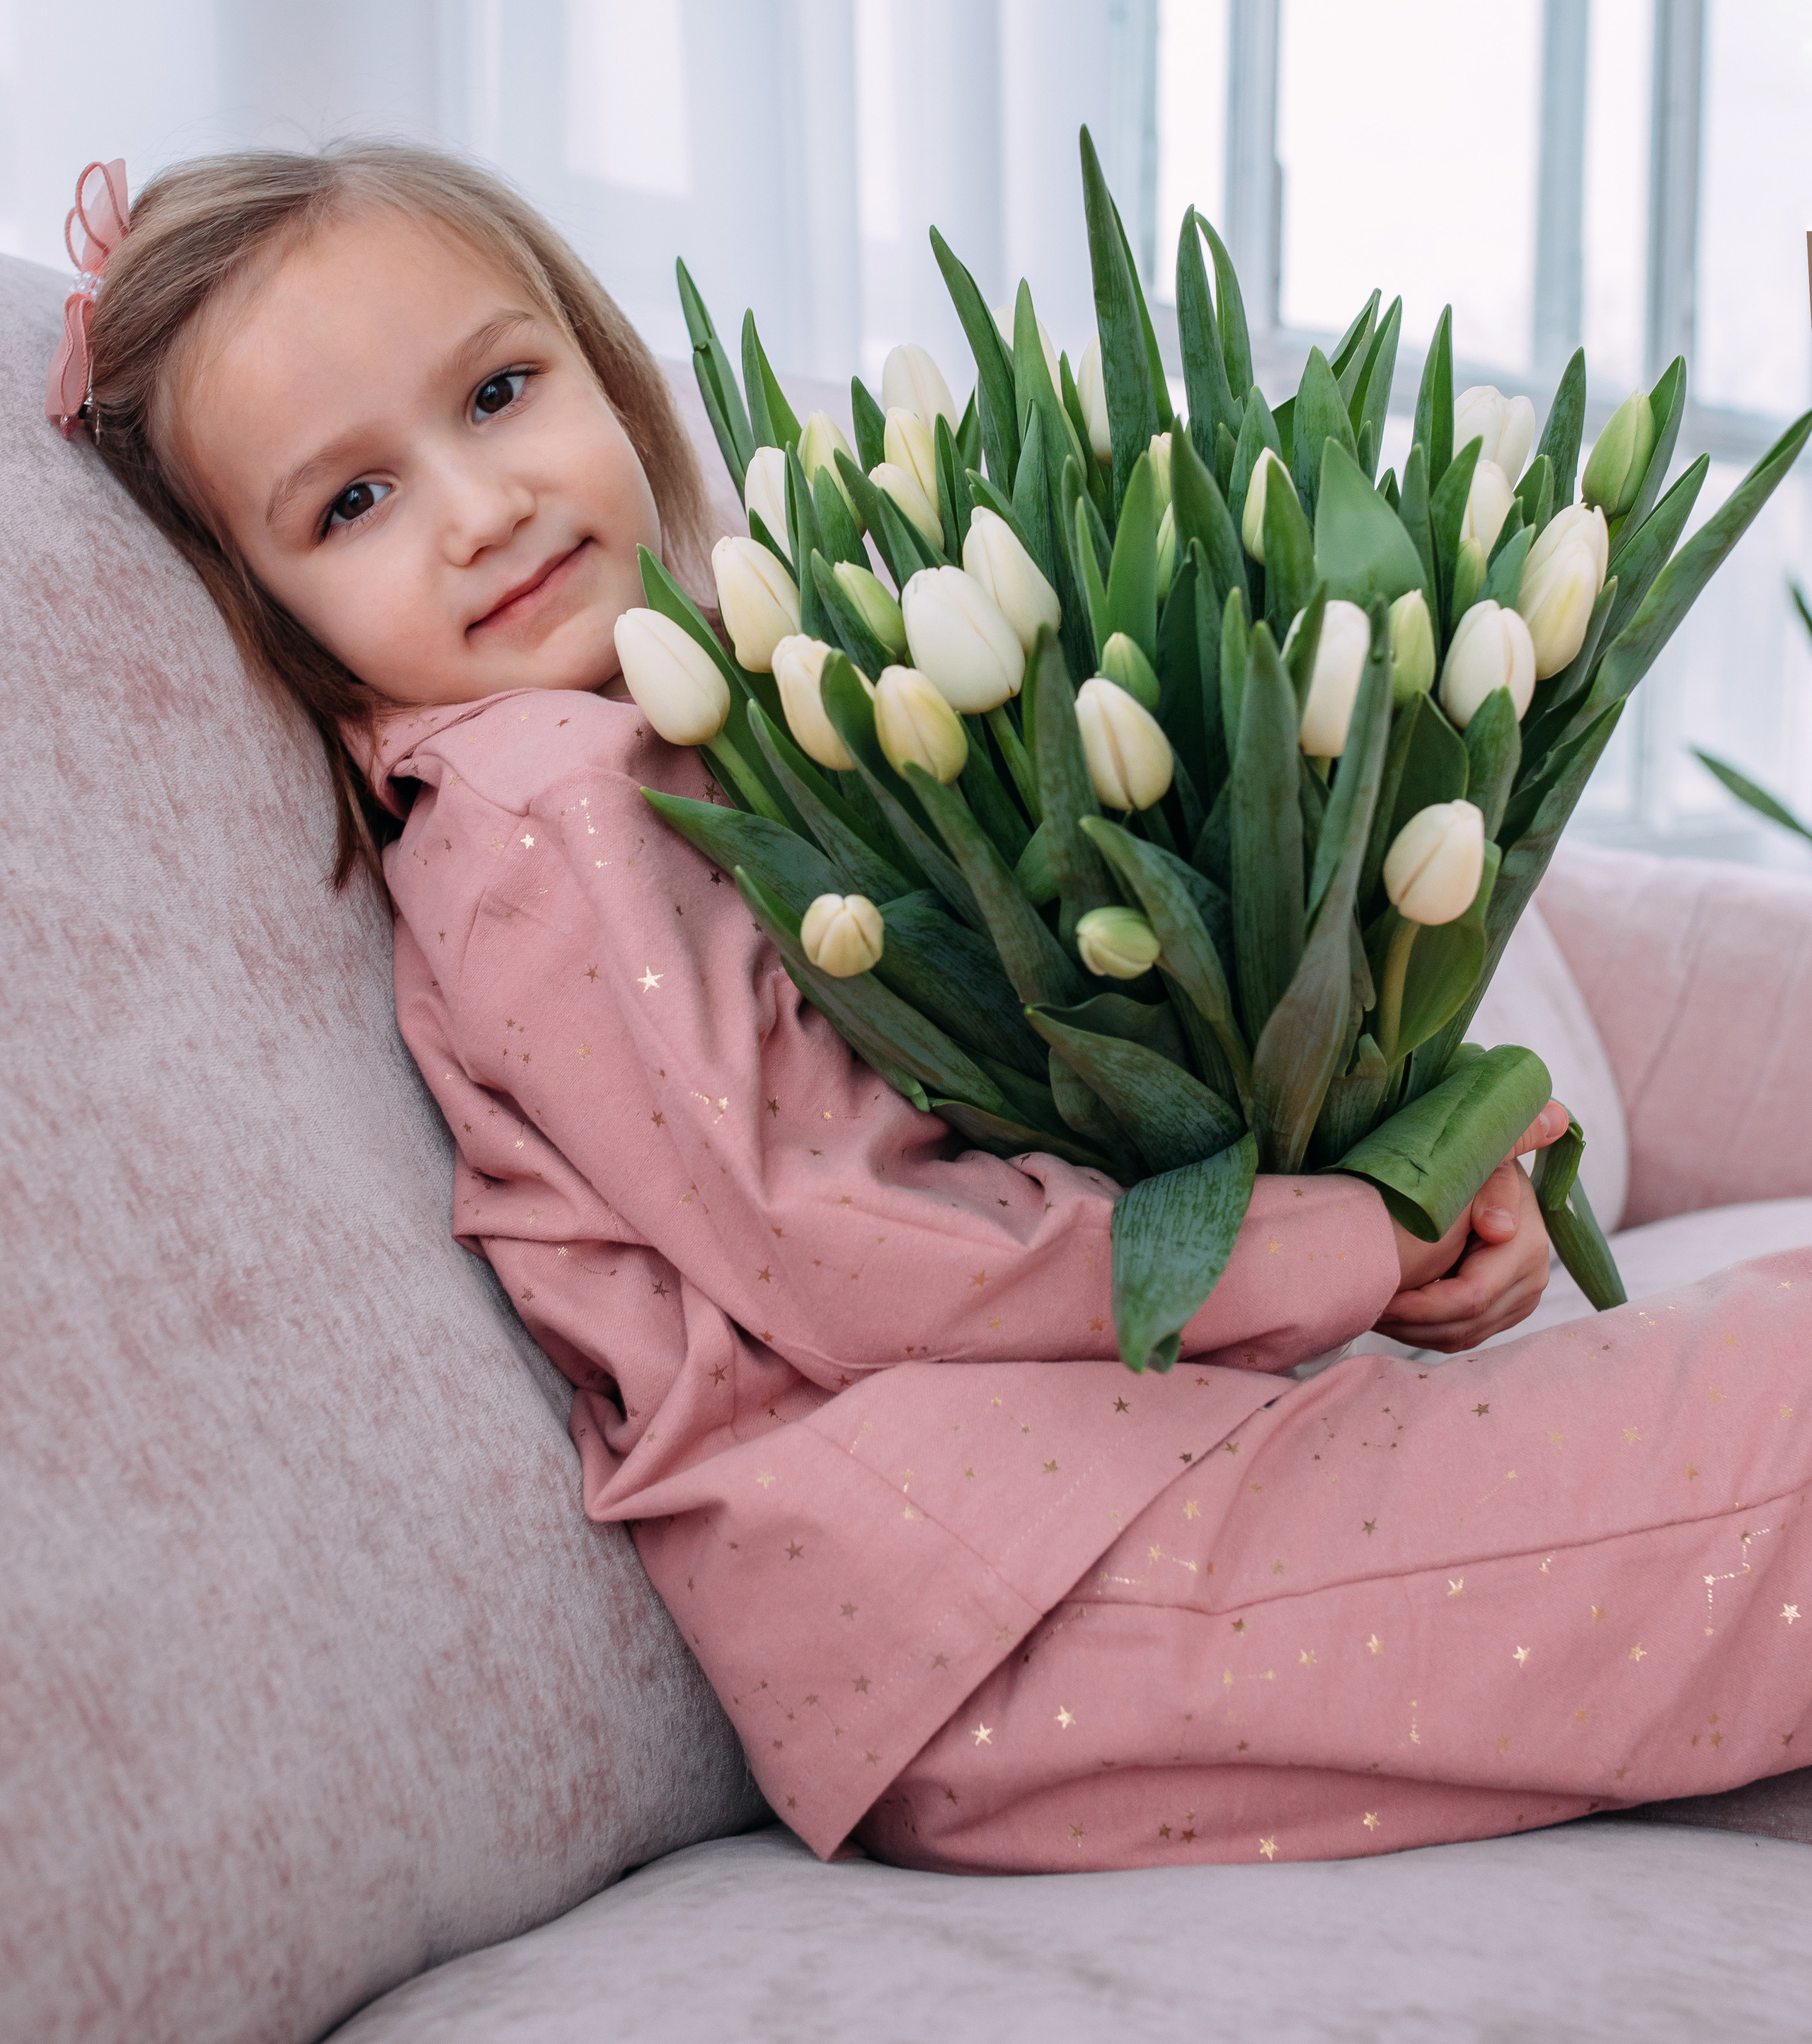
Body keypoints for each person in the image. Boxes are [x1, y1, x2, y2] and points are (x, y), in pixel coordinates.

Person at [60, 142, 1808, 1872]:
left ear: (601, 363)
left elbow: (1093, 1058)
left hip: (1076, 1524)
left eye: (499, 393)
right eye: (351, 505)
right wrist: (1347, 1242)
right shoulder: (542, 818)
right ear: (274, 619)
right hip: (1009, 1608)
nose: (479, 508)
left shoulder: (748, 695)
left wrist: (1426, 1168)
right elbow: (835, 1248)